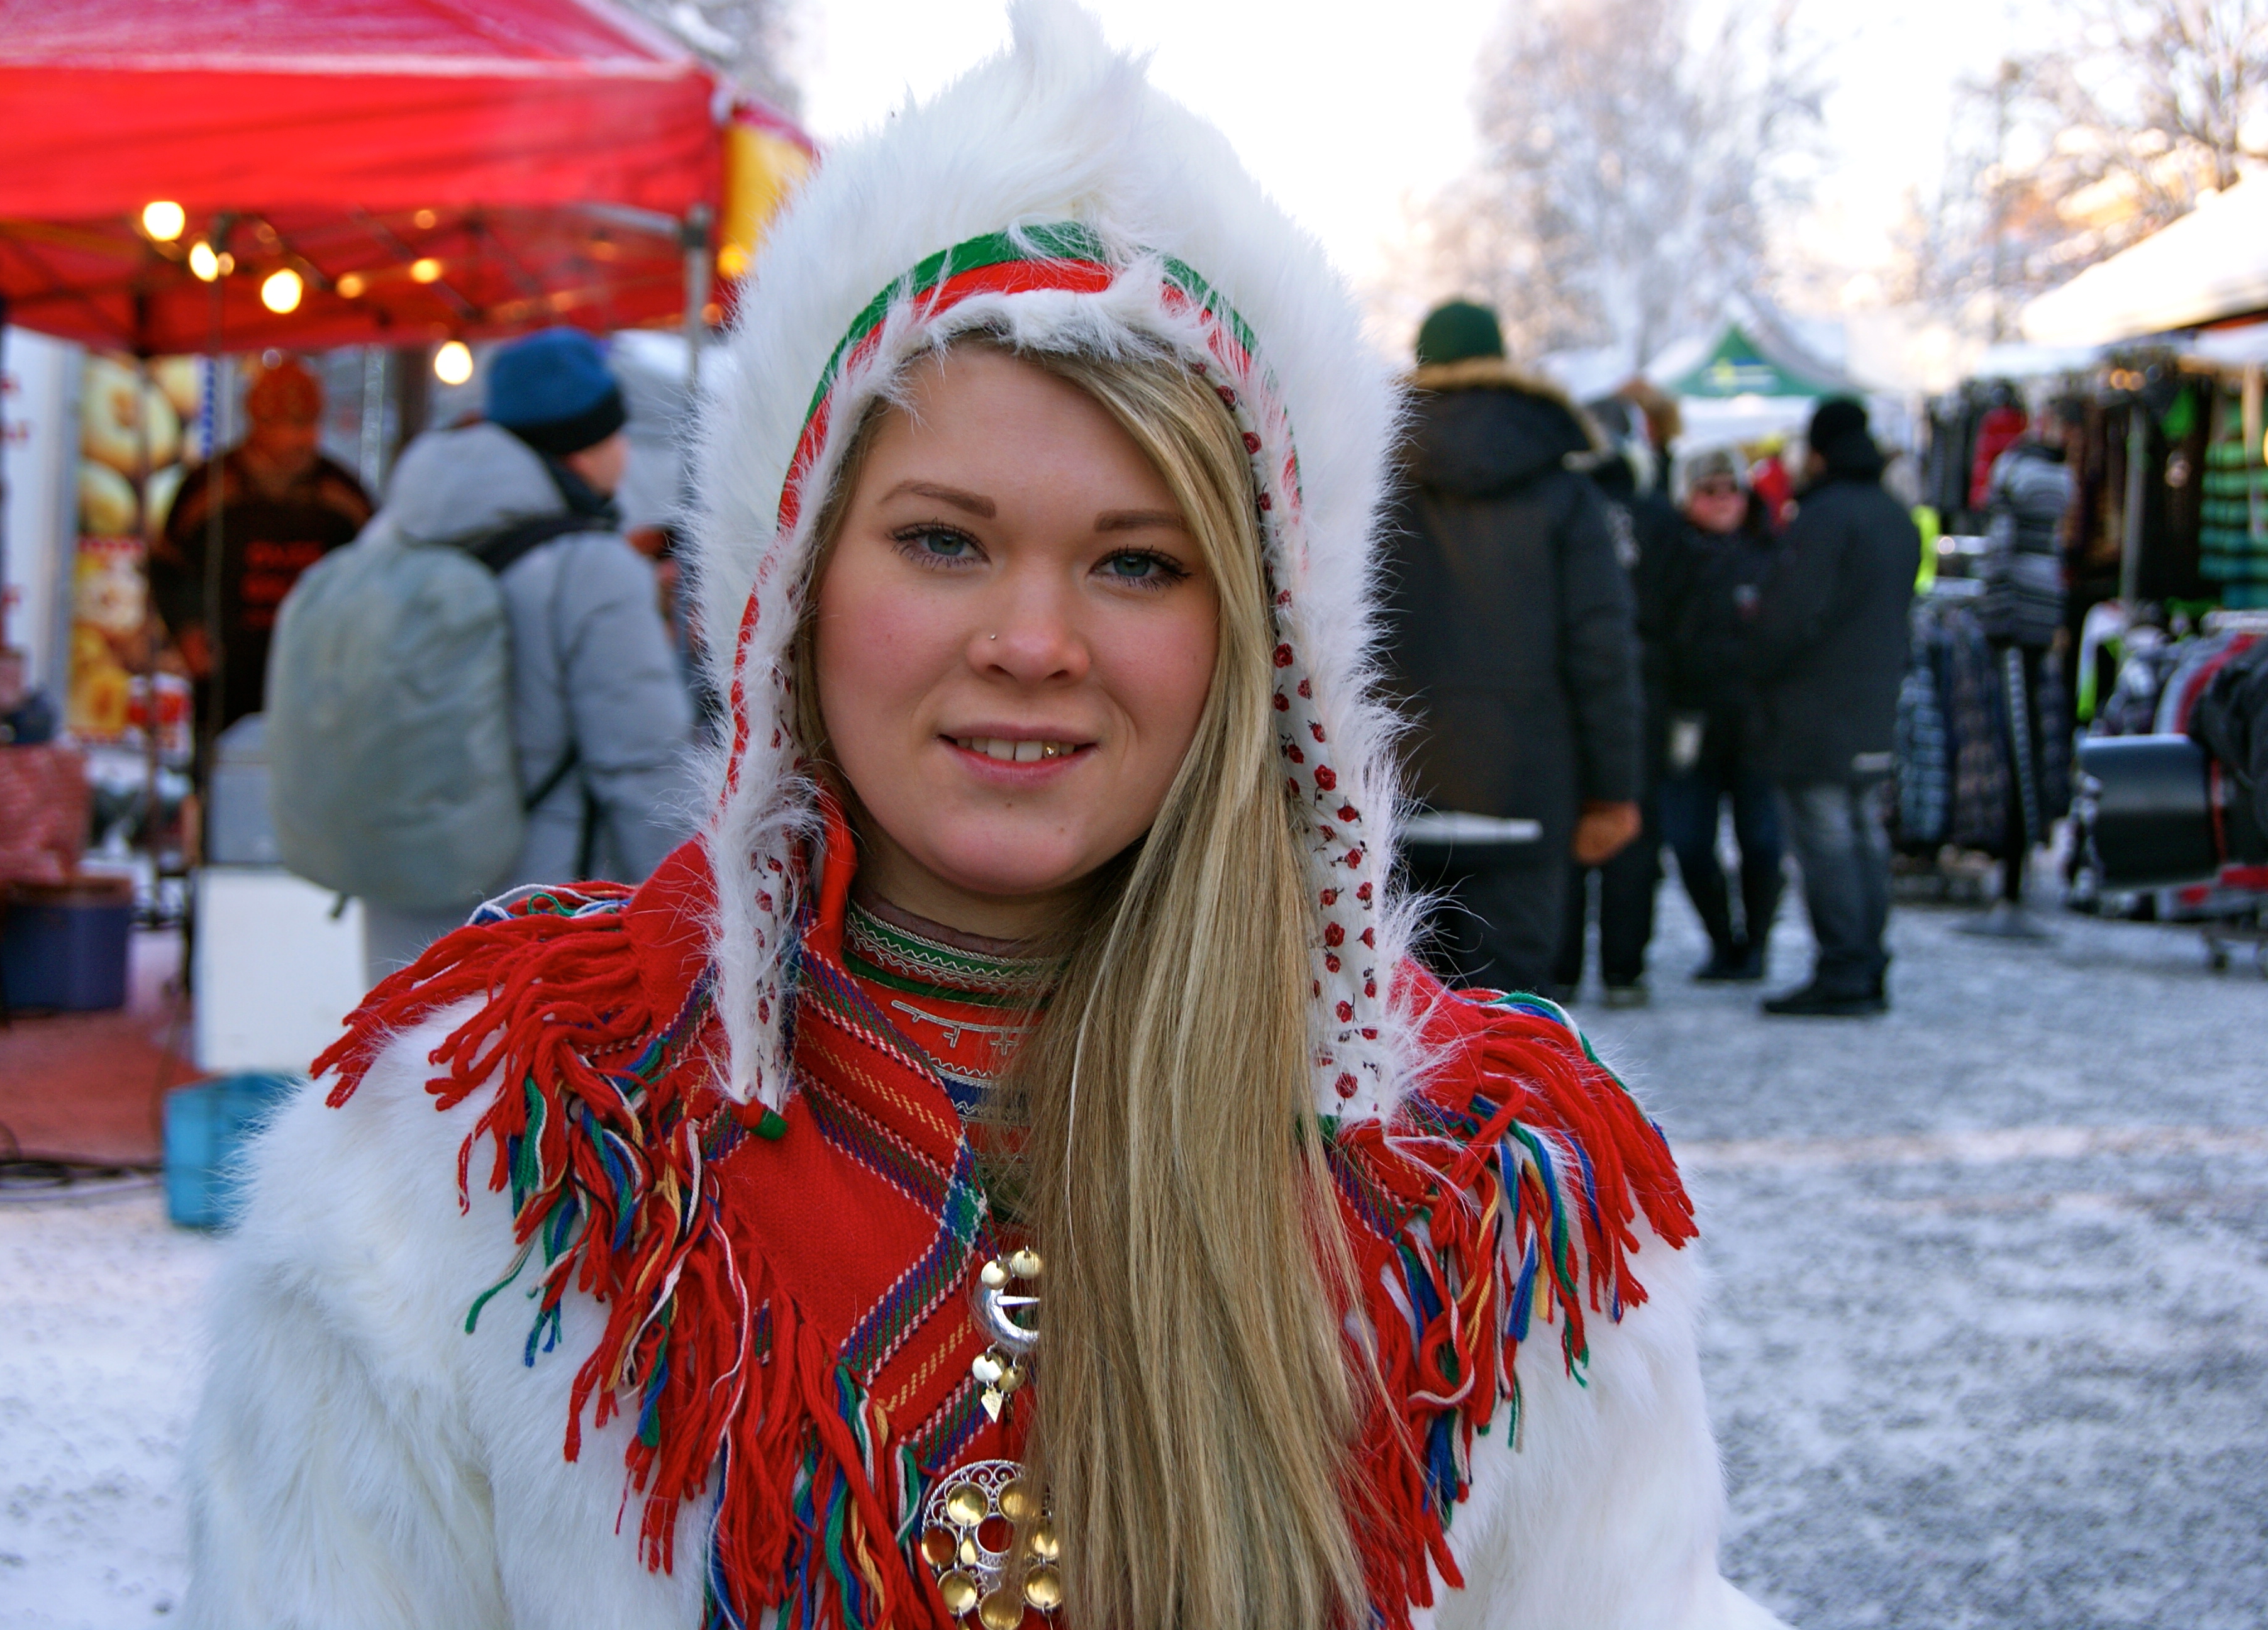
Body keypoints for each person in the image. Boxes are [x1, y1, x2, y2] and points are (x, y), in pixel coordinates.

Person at [181, 11, 1784, 1630]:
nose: (1033, 640)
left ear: (1263, 636)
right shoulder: (484, 1163)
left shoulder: (1482, 1197)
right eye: (945, 542)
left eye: (1136, 560)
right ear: (790, 588)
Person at [352, 328, 697, 975]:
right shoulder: (590, 568)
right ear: (589, 446)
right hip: (532, 937)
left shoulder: (390, 536)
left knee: (404, 1072)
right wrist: (693, 928)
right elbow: (644, 770)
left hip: (397, 914)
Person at [1381, 301, 1645, 996]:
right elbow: (1602, 651)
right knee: (1518, 1031)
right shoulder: (1566, 491)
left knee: (1406, 1039)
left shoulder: (1367, 478)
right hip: (1527, 785)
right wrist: (1611, 791)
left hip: (1393, 786)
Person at [1748, 397, 1919, 1016]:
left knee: (1825, 842)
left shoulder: (1824, 517)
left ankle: (1844, 967)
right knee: (1861, 837)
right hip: (1873, 701)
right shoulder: (1894, 516)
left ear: (1818, 452)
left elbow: (1787, 616)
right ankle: (1866, 962)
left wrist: (1755, 653)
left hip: (1815, 710)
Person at [1552, 392, 1691, 1007]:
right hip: (1648, 691)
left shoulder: (1554, 511)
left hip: (1562, 691)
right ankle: (1623, 968)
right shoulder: (1657, 516)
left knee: (1566, 825)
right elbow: (1689, 617)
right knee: (1633, 826)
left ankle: (1559, 966)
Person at [150, 359, 370, 744]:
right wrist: (187, 629)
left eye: (311, 424)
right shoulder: (208, 489)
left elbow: (379, 576)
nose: (307, 440)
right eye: (294, 426)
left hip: (320, 686)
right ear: (260, 424)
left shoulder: (343, 495)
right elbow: (167, 566)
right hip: (228, 684)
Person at [1658, 447, 1786, 981]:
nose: (1721, 502)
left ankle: (1755, 945)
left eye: (1730, 489)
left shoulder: (1773, 552)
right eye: (1708, 491)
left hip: (1758, 725)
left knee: (1762, 842)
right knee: (1689, 842)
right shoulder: (1670, 553)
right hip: (1690, 723)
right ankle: (1720, 939)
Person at [1962, 401, 2075, 935]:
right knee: (2024, 738)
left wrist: (1993, 607)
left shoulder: (2029, 473)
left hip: (2017, 618)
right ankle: (2016, 862)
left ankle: (2016, 869)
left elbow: (2007, 531)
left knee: (2020, 743)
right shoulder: (2050, 475)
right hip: (2031, 609)